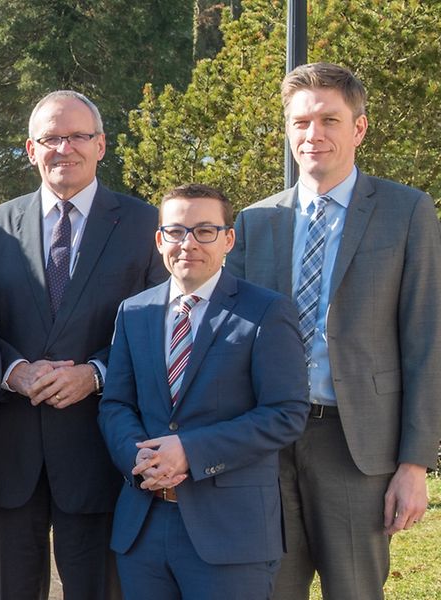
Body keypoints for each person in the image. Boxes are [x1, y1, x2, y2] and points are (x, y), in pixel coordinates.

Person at [226, 62, 441, 600]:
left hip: (356, 445)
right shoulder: (256, 221)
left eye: (329, 120)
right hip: (267, 444)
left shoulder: (406, 211)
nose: (312, 134)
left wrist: (415, 464)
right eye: (300, 122)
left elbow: (426, 340)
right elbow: (228, 341)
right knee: (268, 590)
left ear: (359, 127)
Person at [0, 90, 163, 600]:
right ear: (31, 149)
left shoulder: (146, 225)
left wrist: (95, 373)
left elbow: (160, 325)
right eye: (50, 138)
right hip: (11, 448)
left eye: (77, 136)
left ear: (101, 145)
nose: (64, 148)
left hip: (99, 448)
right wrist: (16, 371)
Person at [98, 183, 309, 599]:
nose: (188, 243)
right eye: (176, 231)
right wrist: (138, 457)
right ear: (160, 240)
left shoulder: (266, 310)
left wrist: (190, 451)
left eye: (204, 231)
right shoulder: (134, 311)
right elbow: (116, 403)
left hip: (230, 533)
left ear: (228, 239)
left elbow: (285, 413)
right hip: (144, 526)